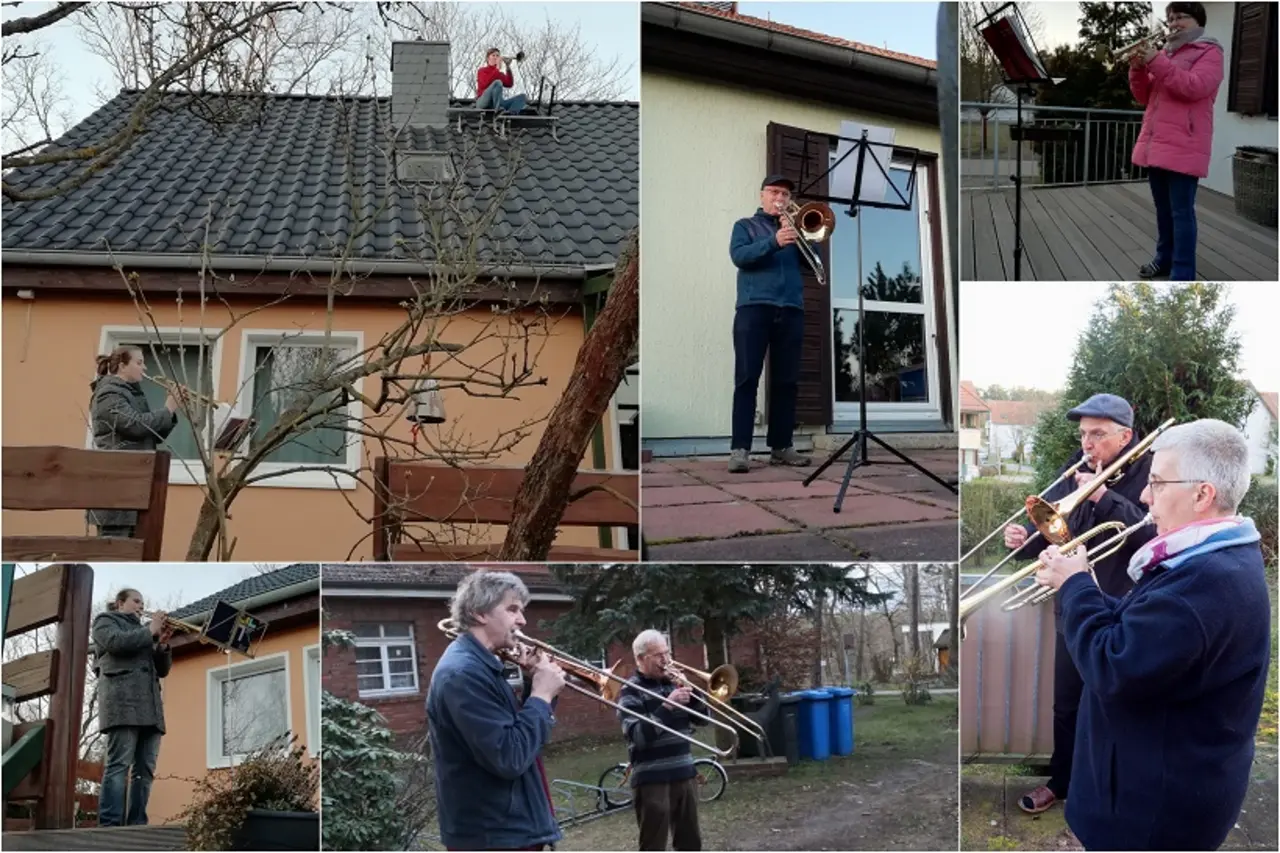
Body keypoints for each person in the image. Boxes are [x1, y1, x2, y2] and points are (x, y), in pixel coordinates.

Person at [1034, 419, 1269, 850]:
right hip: (1158, 796)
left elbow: (1111, 666)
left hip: (1150, 818)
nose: (1144, 496)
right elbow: (1141, 632)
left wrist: (1075, 586)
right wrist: (1082, 583)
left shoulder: (1201, 583)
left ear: (1202, 494)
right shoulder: (1212, 559)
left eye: (1158, 483)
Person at [1002, 393, 1155, 816]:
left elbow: (1152, 535)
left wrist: (1101, 495)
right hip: (1074, 605)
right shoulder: (1074, 466)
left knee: (1116, 702)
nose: (1087, 444)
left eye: (1098, 435)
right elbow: (1053, 528)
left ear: (1125, 435)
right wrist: (1022, 543)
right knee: (1066, 702)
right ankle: (1062, 782)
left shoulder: (1151, 469)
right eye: (1084, 434)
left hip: (1127, 608)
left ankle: (1113, 789)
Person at [426, 571, 567, 851]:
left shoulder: (483, 665)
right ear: (479, 613)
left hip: (509, 830)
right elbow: (509, 757)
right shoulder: (462, 674)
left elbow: (523, 740)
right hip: (494, 836)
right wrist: (540, 695)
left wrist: (534, 686)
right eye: (512, 609)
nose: (522, 621)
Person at [1129, 2, 1224, 282]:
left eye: (1181, 17)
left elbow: (1194, 87)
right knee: (1163, 211)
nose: (1173, 23)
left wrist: (1155, 62)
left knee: (1182, 213)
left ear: (1199, 21)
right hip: (1156, 144)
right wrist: (1136, 69)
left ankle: (1183, 272)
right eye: (1171, 18)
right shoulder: (1165, 53)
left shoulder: (1210, 52)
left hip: (1185, 144)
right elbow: (1143, 97)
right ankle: (1163, 258)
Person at [726, 175, 811, 474]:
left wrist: (803, 235)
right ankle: (740, 450)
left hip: (791, 309)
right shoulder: (745, 226)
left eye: (786, 194)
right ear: (762, 195)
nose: (780, 198)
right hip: (754, 308)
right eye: (775, 191)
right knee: (747, 378)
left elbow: (815, 264)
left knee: (787, 381)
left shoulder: (796, 230)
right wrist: (773, 242)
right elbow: (740, 256)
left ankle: (781, 446)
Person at [618, 629, 706, 851]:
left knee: (690, 842)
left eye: (667, 653)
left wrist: (692, 693)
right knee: (653, 845)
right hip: (652, 780)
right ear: (640, 659)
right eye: (658, 655)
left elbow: (704, 720)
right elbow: (638, 736)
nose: (666, 660)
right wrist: (668, 705)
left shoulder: (672, 683)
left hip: (684, 773)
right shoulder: (630, 691)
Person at [93, 588, 173, 827]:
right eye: (136, 601)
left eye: (143, 601)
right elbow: (115, 643)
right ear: (120, 603)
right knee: (119, 766)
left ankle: (137, 823)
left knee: (145, 770)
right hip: (123, 702)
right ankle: (109, 825)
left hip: (151, 707)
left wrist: (161, 645)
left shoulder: (144, 633)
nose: (141, 605)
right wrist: (150, 630)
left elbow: (162, 670)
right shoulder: (105, 621)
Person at [88, 346, 179, 538]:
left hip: (132, 489)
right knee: (115, 551)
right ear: (122, 366)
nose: (144, 368)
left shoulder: (130, 394)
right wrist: (167, 410)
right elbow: (134, 425)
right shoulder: (109, 394)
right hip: (116, 493)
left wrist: (170, 411)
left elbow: (151, 434)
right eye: (139, 363)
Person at [476, 48, 528, 115]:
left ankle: (510, 115)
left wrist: (508, 67)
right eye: (493, 55)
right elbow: (485, 83)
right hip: (483, 102)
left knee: (522, 97)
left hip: (498, 103)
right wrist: (497, 67)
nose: (496, 57)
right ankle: (497, 111)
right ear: (487, 58)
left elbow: (509, 84)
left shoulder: (499, 74)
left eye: (497, 56)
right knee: (497, 82)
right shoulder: (482, 70)